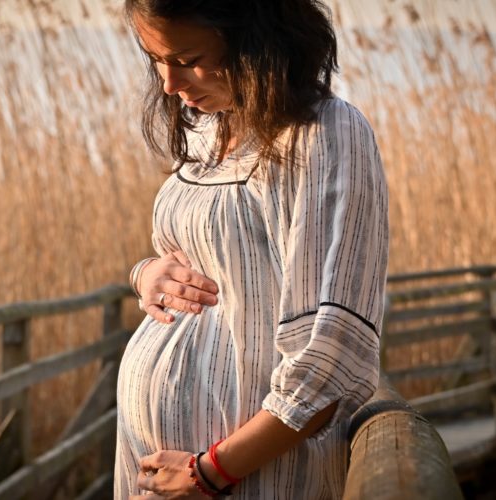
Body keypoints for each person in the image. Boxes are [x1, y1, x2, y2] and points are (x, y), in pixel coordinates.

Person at [115, 1, 389, 498]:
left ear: (255, 39)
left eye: (186, 57)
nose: (169, 84)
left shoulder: (324, 138)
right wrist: (146, 274)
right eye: (156, 58)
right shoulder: (208, 131)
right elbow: (195, 259)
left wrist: (211, 471)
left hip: (248, 479)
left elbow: (331, 354)